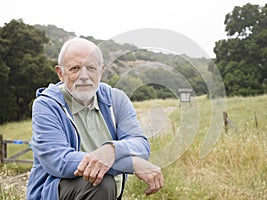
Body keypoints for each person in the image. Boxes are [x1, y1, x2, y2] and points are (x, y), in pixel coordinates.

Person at [26, 37, 164, 200]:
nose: (84, 76)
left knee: (102, 183)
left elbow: (140, 144)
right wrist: (131, 164)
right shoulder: (46, 105)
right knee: (100, 182)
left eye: (91, 68)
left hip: (105, 195)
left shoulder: (116, 99)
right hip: (55, 194)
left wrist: (110, 150)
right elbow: (59, 161)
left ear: (101, 71)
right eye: (75, 68)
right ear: (61, 73)